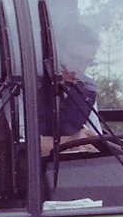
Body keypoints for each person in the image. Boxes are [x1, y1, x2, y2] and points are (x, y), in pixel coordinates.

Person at [40, 21, 100, 156]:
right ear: (56, 52)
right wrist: (72, 141)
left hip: (72, 169)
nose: (80, 67)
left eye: (87, 61)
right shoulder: (27, 87)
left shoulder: (87, 90)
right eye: (75, 58)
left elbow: (94, 137)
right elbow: (22, 145)